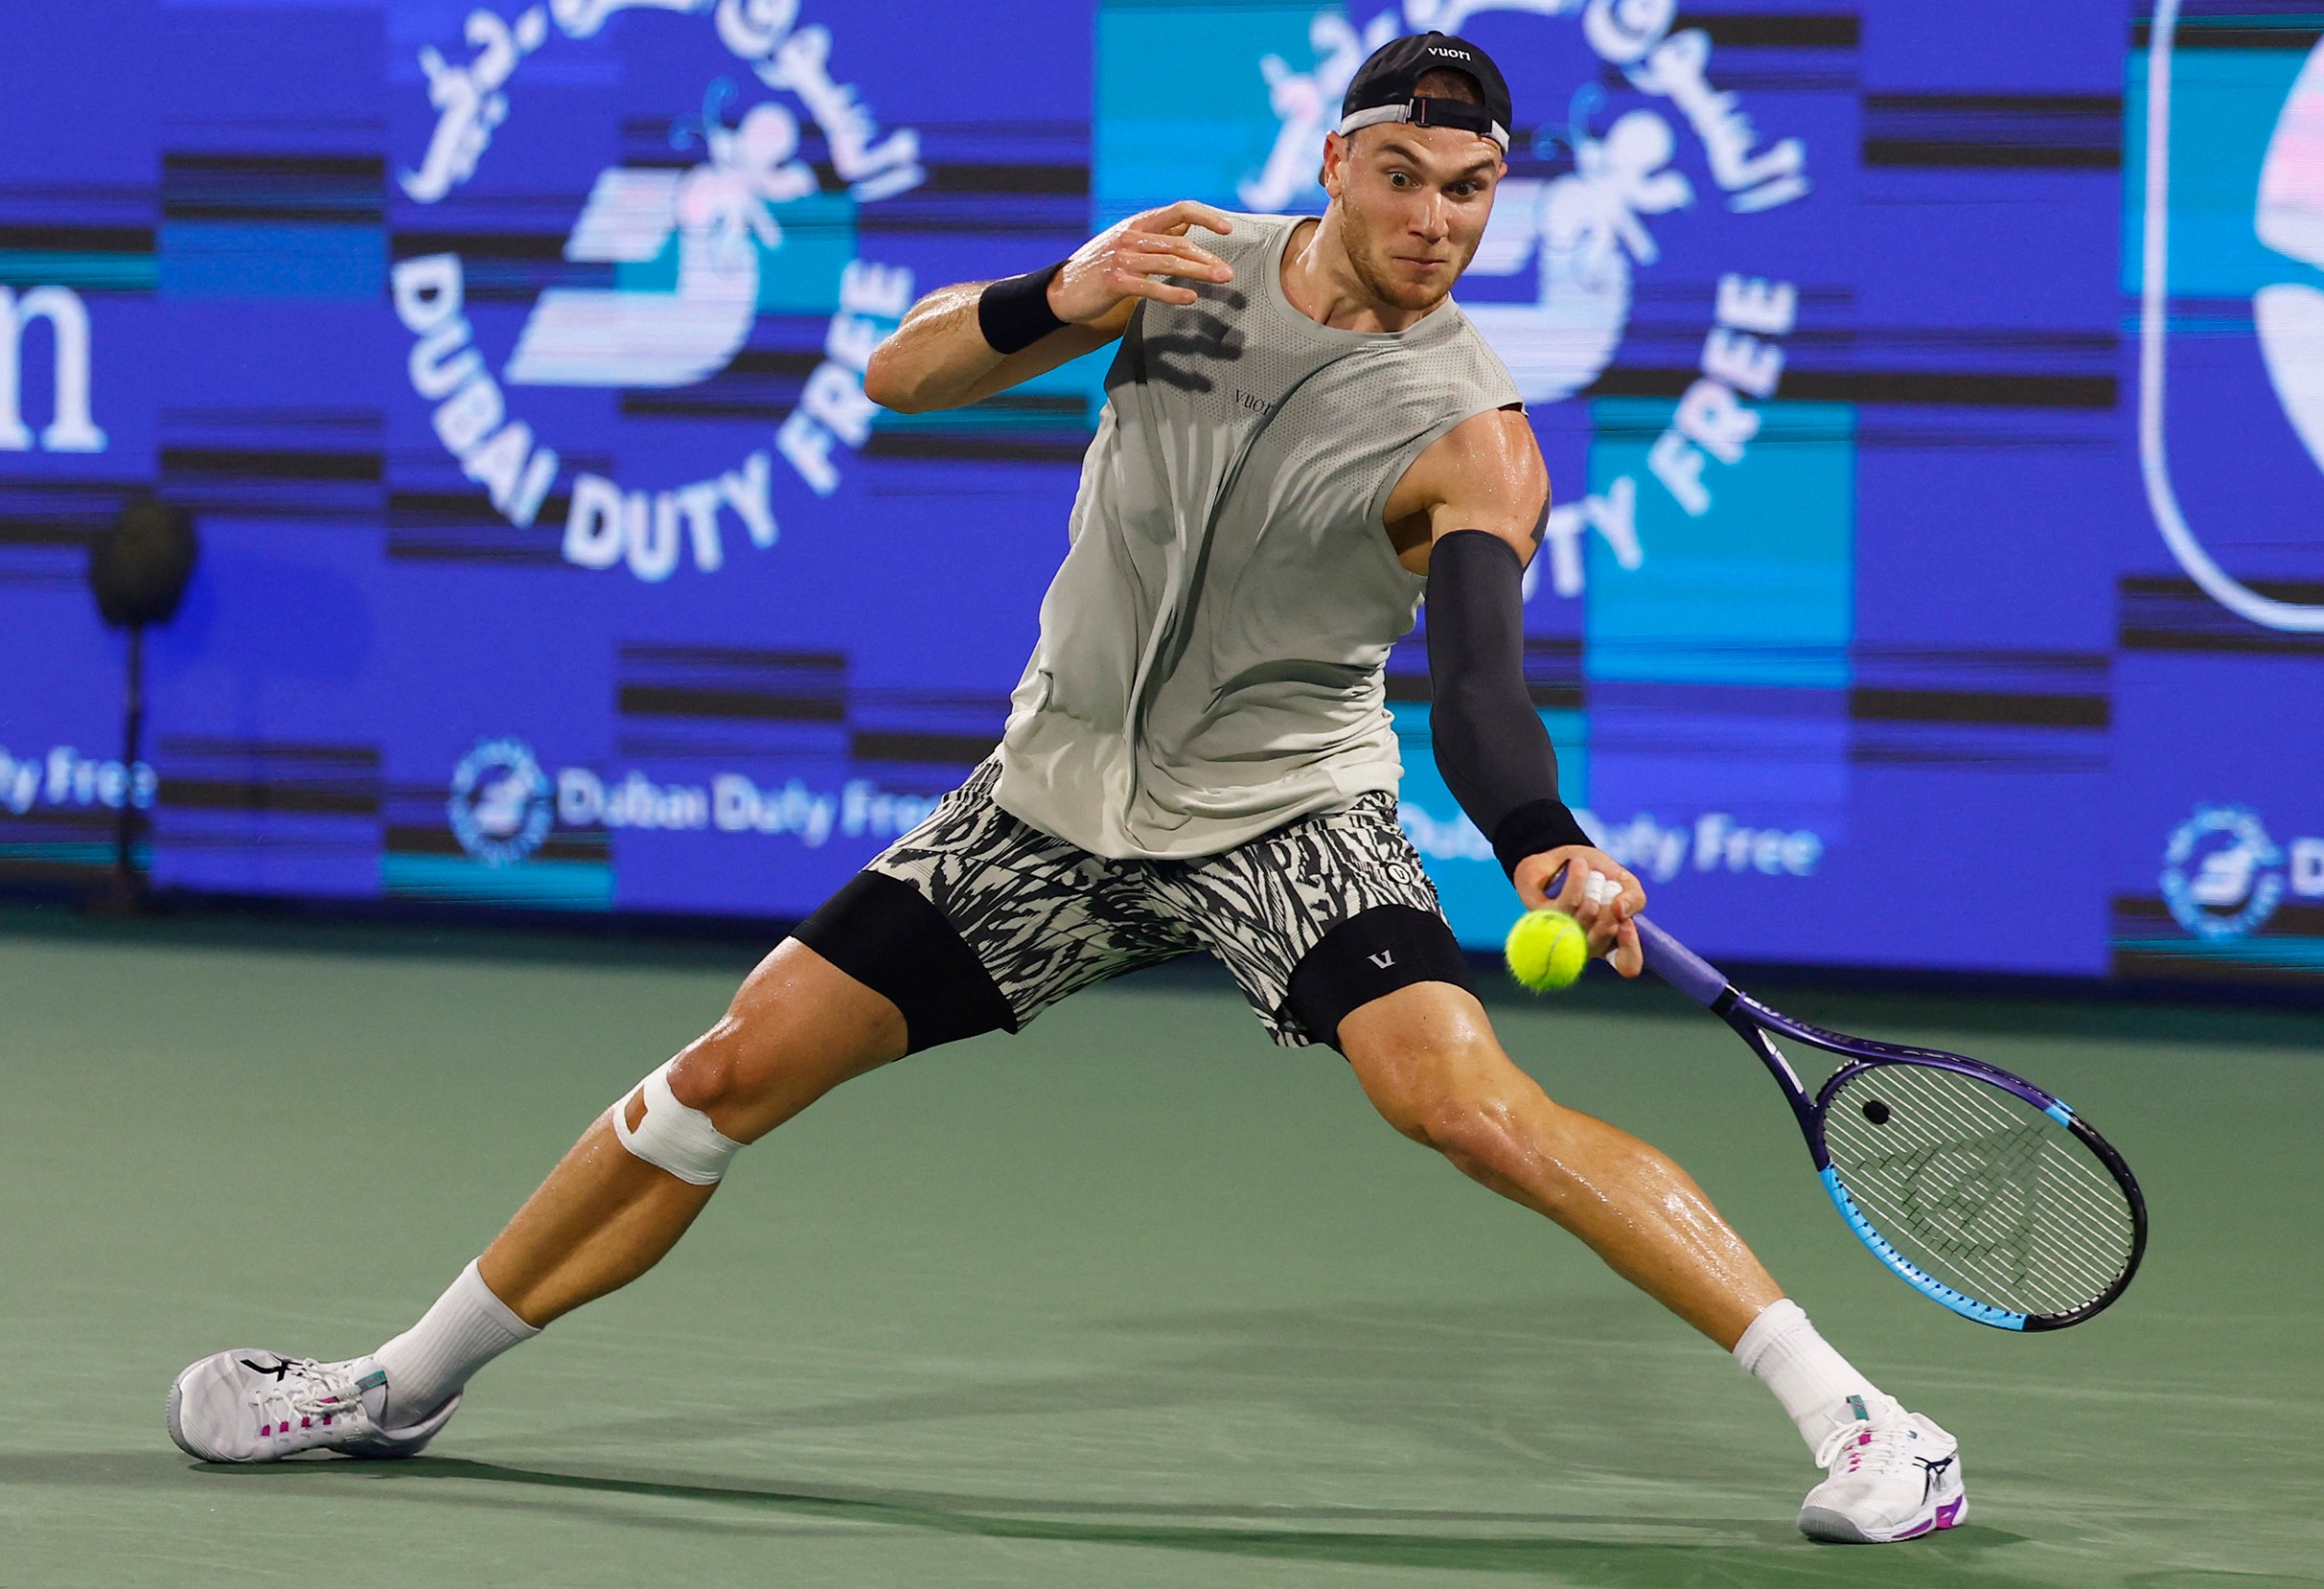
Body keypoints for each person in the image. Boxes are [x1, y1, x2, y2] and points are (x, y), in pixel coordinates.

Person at [167, 33, 1964, 1545]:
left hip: (1285, 817)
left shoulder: (1470, 430)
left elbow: (1479, 696)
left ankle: (1868, 1423)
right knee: (722, 1074)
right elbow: (900, 373)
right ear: (1337, 160)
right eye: (1406, 173)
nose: (1437, 220)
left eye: (1473, 186)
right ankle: (392, 1384)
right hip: (1041, 806)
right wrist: (1063, 291)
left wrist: (1546, 843)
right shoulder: (1179, 265)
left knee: (1466, 1106)